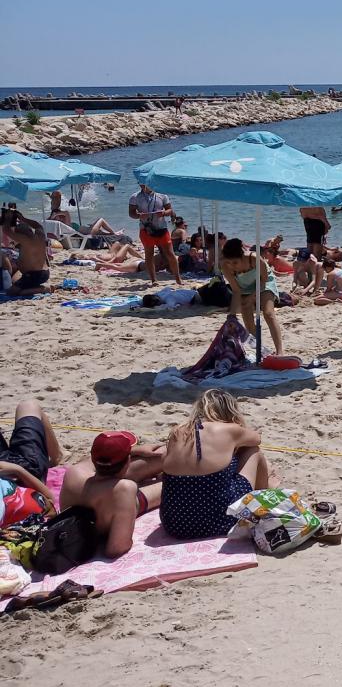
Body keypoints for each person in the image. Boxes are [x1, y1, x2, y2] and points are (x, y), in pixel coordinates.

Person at [159, 389, 272, 540]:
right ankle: (263, 499)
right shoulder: (230, 430)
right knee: (254, 451)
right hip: (223, 521)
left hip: (175, 525)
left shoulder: (177, 431)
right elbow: (256, 439)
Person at [58, 432, 164, 558]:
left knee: (161, 454)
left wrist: (136, 450)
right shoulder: (124, 489)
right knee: (167, 476)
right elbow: (116, 549)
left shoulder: (74, 473)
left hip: (94, 506)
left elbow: (98, 461)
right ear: (128, 461)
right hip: (116, 504)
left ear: (93, 458)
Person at [0, 398, 62, 523]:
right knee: (29, 406)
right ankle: (57, 456)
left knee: (28, 405)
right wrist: (18, 471)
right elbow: (49, 498)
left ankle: (57, 455)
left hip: (12, 468)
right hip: (27, 473)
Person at [221, 237, 285, 356]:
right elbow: (236, 291)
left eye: (235, 262)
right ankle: (259, 351)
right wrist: (232, 315)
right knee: (248, 319)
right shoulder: (225, 266)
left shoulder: (254, 258)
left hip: (263, 282)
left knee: (268, 313)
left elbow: (264, 280)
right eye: (229, 262)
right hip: (244, 287)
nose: (232, 266)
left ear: (242, 256)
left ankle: (280, 351)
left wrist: (252, 297)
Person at [129, 184, 181, 286]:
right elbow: (131, 213)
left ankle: (178, 278)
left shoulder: (162, 195)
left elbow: (170, 210)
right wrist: (139, 215)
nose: (144, 185)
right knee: (149, 255)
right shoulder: (135, 197)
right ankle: (154, 280)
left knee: (170, 254)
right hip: (146, 229)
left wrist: (164, 213)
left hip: (162, 228)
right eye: (142, 183)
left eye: (146, 183)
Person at [1, 206, 52, 296]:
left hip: (33, 275)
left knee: (11, 292)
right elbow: (37, 225)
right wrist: (23, 218)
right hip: (44, 273)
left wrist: (7, 218)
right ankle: (37, 287)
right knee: (17, 283)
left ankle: (42, 289)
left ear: (21, 235)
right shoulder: (40, 235)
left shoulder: (26, 241)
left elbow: (6, 230)